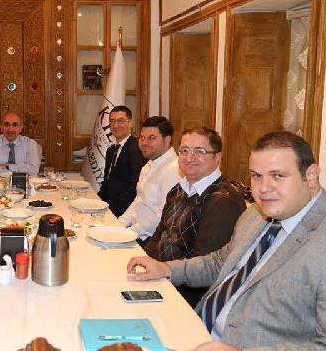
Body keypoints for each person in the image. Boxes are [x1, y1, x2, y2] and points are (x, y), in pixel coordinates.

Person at [128, 131, 325, 350]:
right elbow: (220, 262)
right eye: (257, 176)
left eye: (278, 176)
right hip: (195, 330)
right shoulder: (256, 214)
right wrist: (166, 269)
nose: (263, 188)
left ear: (311, 175)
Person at [143, 126, 246, 306]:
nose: (189, 157)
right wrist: (146, 264)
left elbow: (203, 270)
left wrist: (159, 281)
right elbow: (159, 234)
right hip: (160, 278)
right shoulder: (179, 189)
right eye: (184, 150)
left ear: (217, 157)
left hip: (185, 297)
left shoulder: (223, 201)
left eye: (199, 151)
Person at [118, 116, 182, 243]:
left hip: (153, 241)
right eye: (142, 137)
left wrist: (130, 232)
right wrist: (119, 224)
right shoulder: (148, 165)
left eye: (151, 138)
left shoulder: (174, 169)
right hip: (137, 234)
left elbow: (163, 214)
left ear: (167, 140)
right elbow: (138, 201)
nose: (144, 143)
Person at [97, 106, 147, 217]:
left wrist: (111, 212)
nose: (115, 125)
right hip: (107, 208)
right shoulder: (111, 150)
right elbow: (107, 183)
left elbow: (134, 188)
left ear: (131, 123)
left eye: (120, 121)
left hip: (123, 213)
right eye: (112, 121)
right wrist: (95, 202)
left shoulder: (136, 149)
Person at [0, 111, 41, 176]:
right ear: (1, 127)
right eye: (7, 124)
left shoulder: (30, 144)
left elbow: (34, 170)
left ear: (21, 128)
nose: (10, 129)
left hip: (24, 182)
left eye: (15, 125)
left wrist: (7, 167)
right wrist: (21, 168)